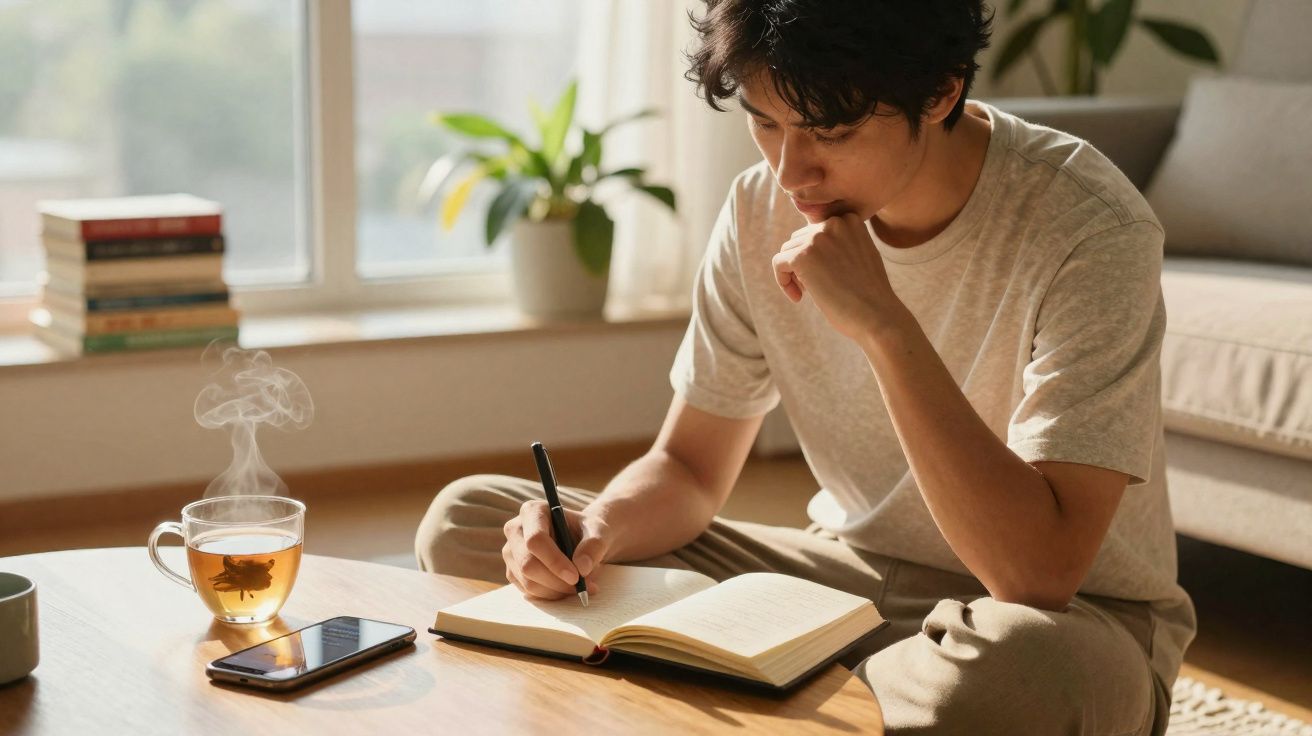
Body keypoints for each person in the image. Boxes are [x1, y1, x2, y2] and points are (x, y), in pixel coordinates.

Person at [416, 1, 1196, 732]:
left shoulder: (1091, 227)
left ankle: (741, 683)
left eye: (829, 130)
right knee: (471, 518)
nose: (792, 173)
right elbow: (689, 467)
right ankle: (806, 688)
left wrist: (886, 328)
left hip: (1062, 619)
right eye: (764, 122)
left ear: (938, 93)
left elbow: (1037, 574)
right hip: (839, 578)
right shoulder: (759, 206)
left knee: (1020, 677)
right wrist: (594, 535)